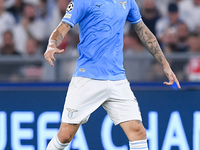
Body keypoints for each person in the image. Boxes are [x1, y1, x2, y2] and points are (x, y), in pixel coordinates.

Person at [44, 0, 181, 150]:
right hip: (87, 78)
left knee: (138, 131)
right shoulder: (83, 1)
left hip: (117, 79)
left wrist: (165, 64)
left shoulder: (128, 2)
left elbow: (144, 32)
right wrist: (52, 45)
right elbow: (62, 27)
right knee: (65, 135)